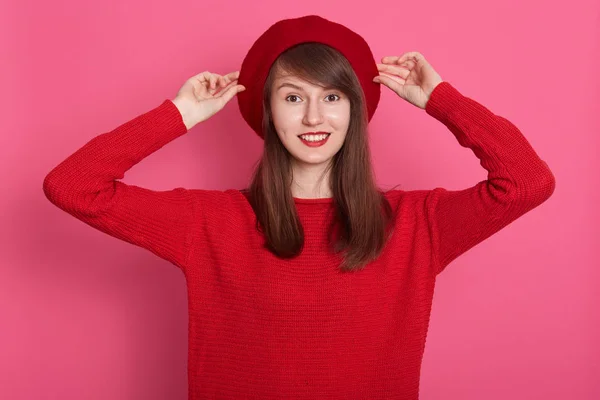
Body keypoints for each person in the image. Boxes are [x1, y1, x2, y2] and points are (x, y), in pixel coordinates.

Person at [43, 14, 555, 400]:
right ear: (268, 110)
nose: (314, 115)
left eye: (332, 97)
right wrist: (179, 113)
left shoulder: (417, 224)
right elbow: (73, 187)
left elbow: (527, 182)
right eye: (292, 97)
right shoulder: (209, 223)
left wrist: (441, 98)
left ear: (355, 109)